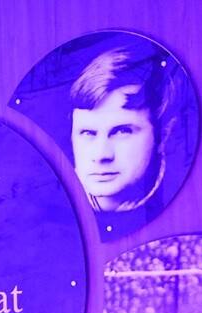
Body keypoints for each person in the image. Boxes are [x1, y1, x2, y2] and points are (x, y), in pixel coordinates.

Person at [69, 43, 174, 213]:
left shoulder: (183, 198)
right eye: (88, 133)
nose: (101, 155)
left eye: (121, 131)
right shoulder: (48, 204)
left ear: (163, 135)